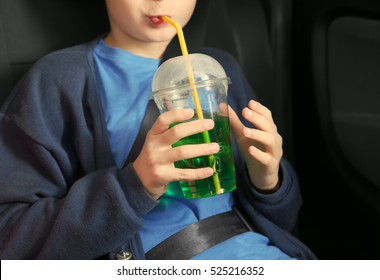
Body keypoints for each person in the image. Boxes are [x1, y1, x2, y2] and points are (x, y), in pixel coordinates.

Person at [0, 0, 316, 260]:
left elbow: (283, 222)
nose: (160, 2)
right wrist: (134, 186)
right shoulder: (57, 82)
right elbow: (10, 237)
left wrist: (267, 180)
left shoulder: (218, 69)